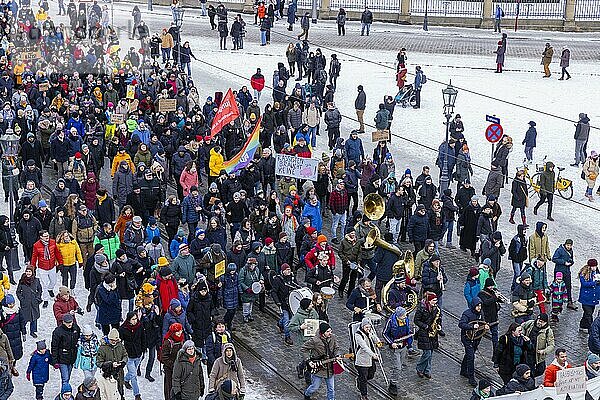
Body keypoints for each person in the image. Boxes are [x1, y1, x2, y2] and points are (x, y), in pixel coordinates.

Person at [302, 322, 339, 400]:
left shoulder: (333, 337)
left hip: (330, 368)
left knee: (331, 389)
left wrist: (337, 355)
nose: (330, 333)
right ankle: (307, 394)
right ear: (322, 333)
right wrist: (308, 361)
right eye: (328, 332)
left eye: (331, 331)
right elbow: (303, 349)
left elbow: (336, 348)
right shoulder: (314, 340)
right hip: (319, 368)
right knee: (314, 387)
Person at [383, 306, 413, 396]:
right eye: (403, 315)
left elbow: (408, 331)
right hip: (395, 348)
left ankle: (394, 381)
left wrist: (409, 344)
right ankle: (393, 383)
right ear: (399, 315)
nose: (405, 316)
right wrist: (391, 343)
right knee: (397, 367)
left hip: (403, 346)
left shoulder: (406, 320)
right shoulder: (391, 321)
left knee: (400, 365)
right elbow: (384, 333)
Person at [458, 298, 486, 387]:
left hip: (476, 338)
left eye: (480, 305)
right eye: (478, 306)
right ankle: (471, 377)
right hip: (467, 338)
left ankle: (463, 370)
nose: (479, 307)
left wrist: (485, 327)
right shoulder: (467, 313)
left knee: (469, 354)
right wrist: (472, 326)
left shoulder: (481, 313)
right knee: (471, 356)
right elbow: (461, 324)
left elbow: (482, 323)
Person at [414, 292, 440, 379]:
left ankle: (427, 370)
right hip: (424, 333)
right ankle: (420, 368)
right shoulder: (421, 309)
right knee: (427, 353)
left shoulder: (436, 308)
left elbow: (438, 317)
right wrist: (425, 326)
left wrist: (438, 324)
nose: (436, 302)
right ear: (429, 300)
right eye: (434, 300)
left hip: (433, 333)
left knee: (431, 353)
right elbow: (416, 320)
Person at [353, 318, 380, 400]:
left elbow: (376, 339)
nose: (368, 329)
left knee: (371, 374)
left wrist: (377, 341)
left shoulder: (370, 332)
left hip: (370, 359)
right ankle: (363, 395)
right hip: (362, 360)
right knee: (364, 378)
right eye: (366, 327)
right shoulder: (358, 335)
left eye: (369, 327)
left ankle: (359, 380)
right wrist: (373, 354)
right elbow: (364, 347)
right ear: (362, 326)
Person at [51, 313, 81, 387]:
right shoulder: (58, 331)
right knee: (65, 378)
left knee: (68, 377)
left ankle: (66, 392)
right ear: (63, 322)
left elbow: (79, 338)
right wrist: (55, 361)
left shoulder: (76, 328)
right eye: (67, 323)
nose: (69, 324)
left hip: (72, 357)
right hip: (62, 358)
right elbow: (54, 347)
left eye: (70, 322)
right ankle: (65, 394)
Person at [521, 313, 554, 378]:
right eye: (539, 320)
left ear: (546, 322)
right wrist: (523, 334)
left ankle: (530, 377)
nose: (539, 323)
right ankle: (530, 379)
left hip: (539, 355)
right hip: (529, 353)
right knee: (531, 370)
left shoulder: (548, 331)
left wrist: (544, 351)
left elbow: (551, 345)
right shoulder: (530, 323)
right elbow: (522, 326)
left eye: (542, 322)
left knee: (541, 370)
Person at [552, 239, 577, 310]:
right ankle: (556, 303)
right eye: (568, 245)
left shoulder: (571, 251)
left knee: (568, 286)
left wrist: (571, 262)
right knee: (557, 287)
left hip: (567, 271)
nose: (569, 247)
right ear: (565, 244)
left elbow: (571, 259)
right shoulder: (559, 250)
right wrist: (564, 262)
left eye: (570, 245)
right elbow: (554, 259)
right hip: (559, 271)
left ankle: (569, 302)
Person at [578, 259, 600, 332]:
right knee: (589, 314)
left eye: (595, 266)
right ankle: (591, 329)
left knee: (587, 313)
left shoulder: (597, 273)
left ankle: (582, 325)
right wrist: (594, 283)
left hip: (593, 298)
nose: (594, 268)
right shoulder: (583, 274)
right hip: (586, 297)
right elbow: (584, 284)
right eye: (593, 266)